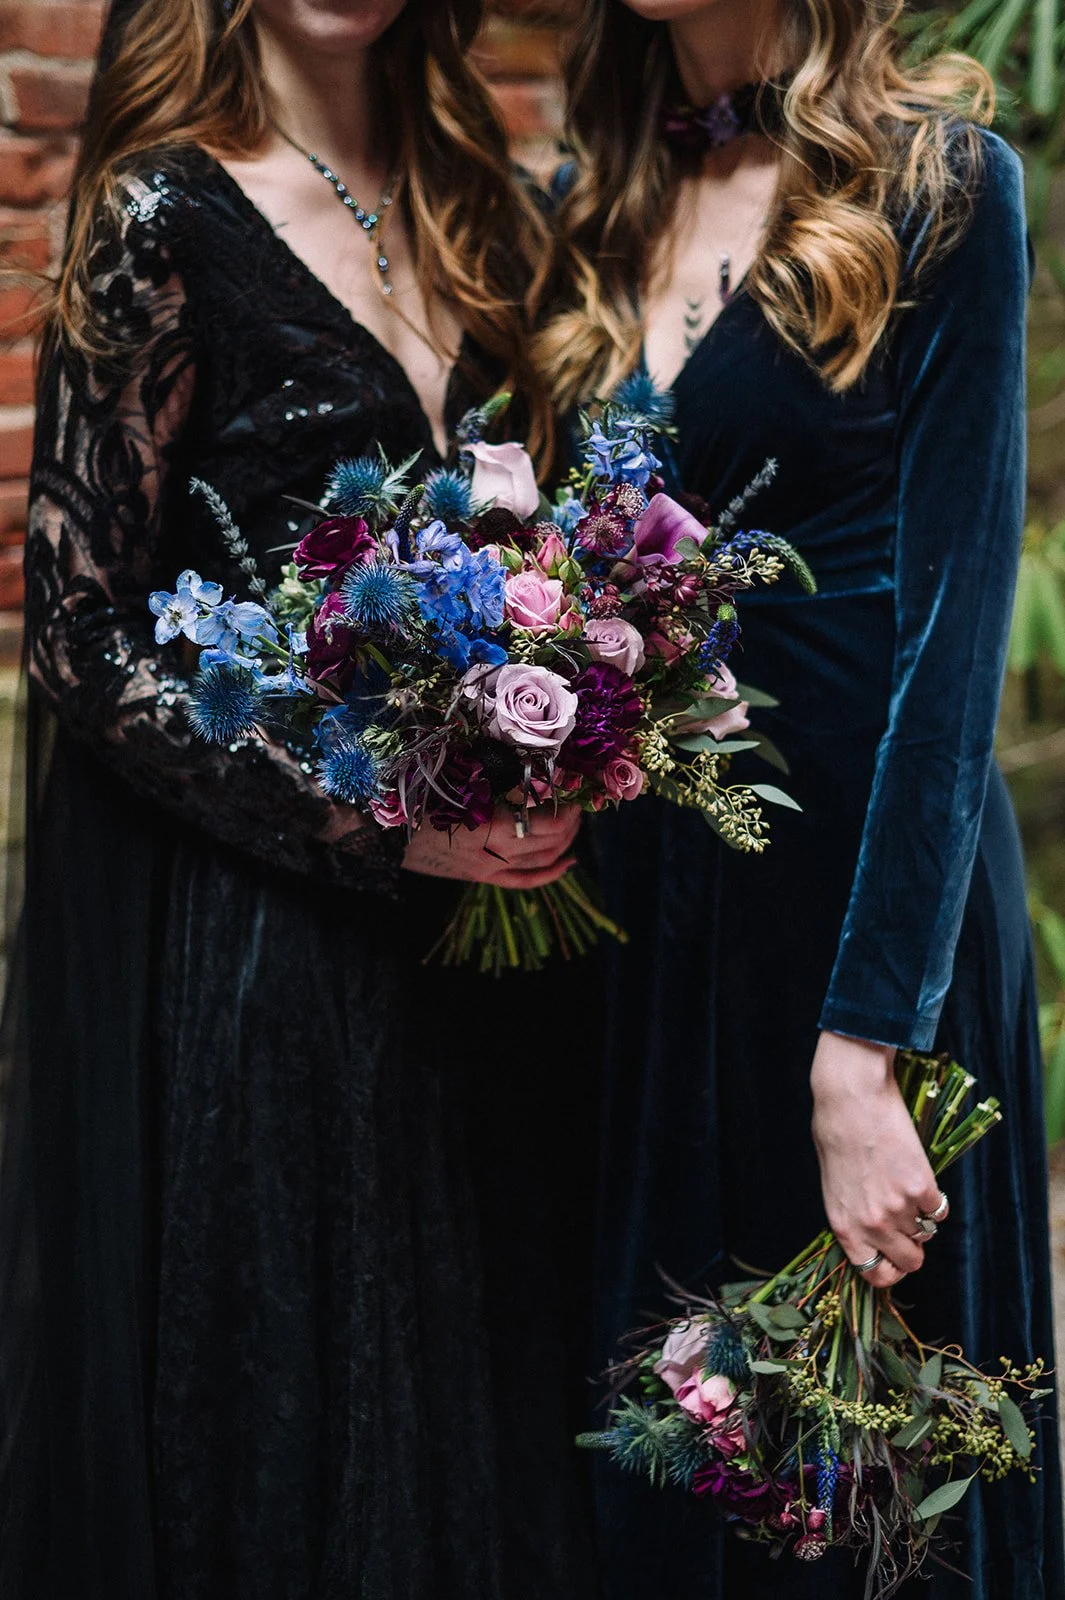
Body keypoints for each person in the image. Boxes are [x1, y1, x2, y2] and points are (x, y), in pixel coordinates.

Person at [0, 1, 600, 1594]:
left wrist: (578, 720)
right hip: (274, 943)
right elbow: (77, 635)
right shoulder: (159, 214)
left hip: (485, 943)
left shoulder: (481, 189)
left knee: (476, 1384)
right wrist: (374, 818)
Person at [539, 1, 1065, 1595]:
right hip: (647, 929)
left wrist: (864, 1048)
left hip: (860, 931)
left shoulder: (946, 190)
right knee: (676, 1462)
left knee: (873, 1499)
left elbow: (954, 642)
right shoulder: (587, 204)